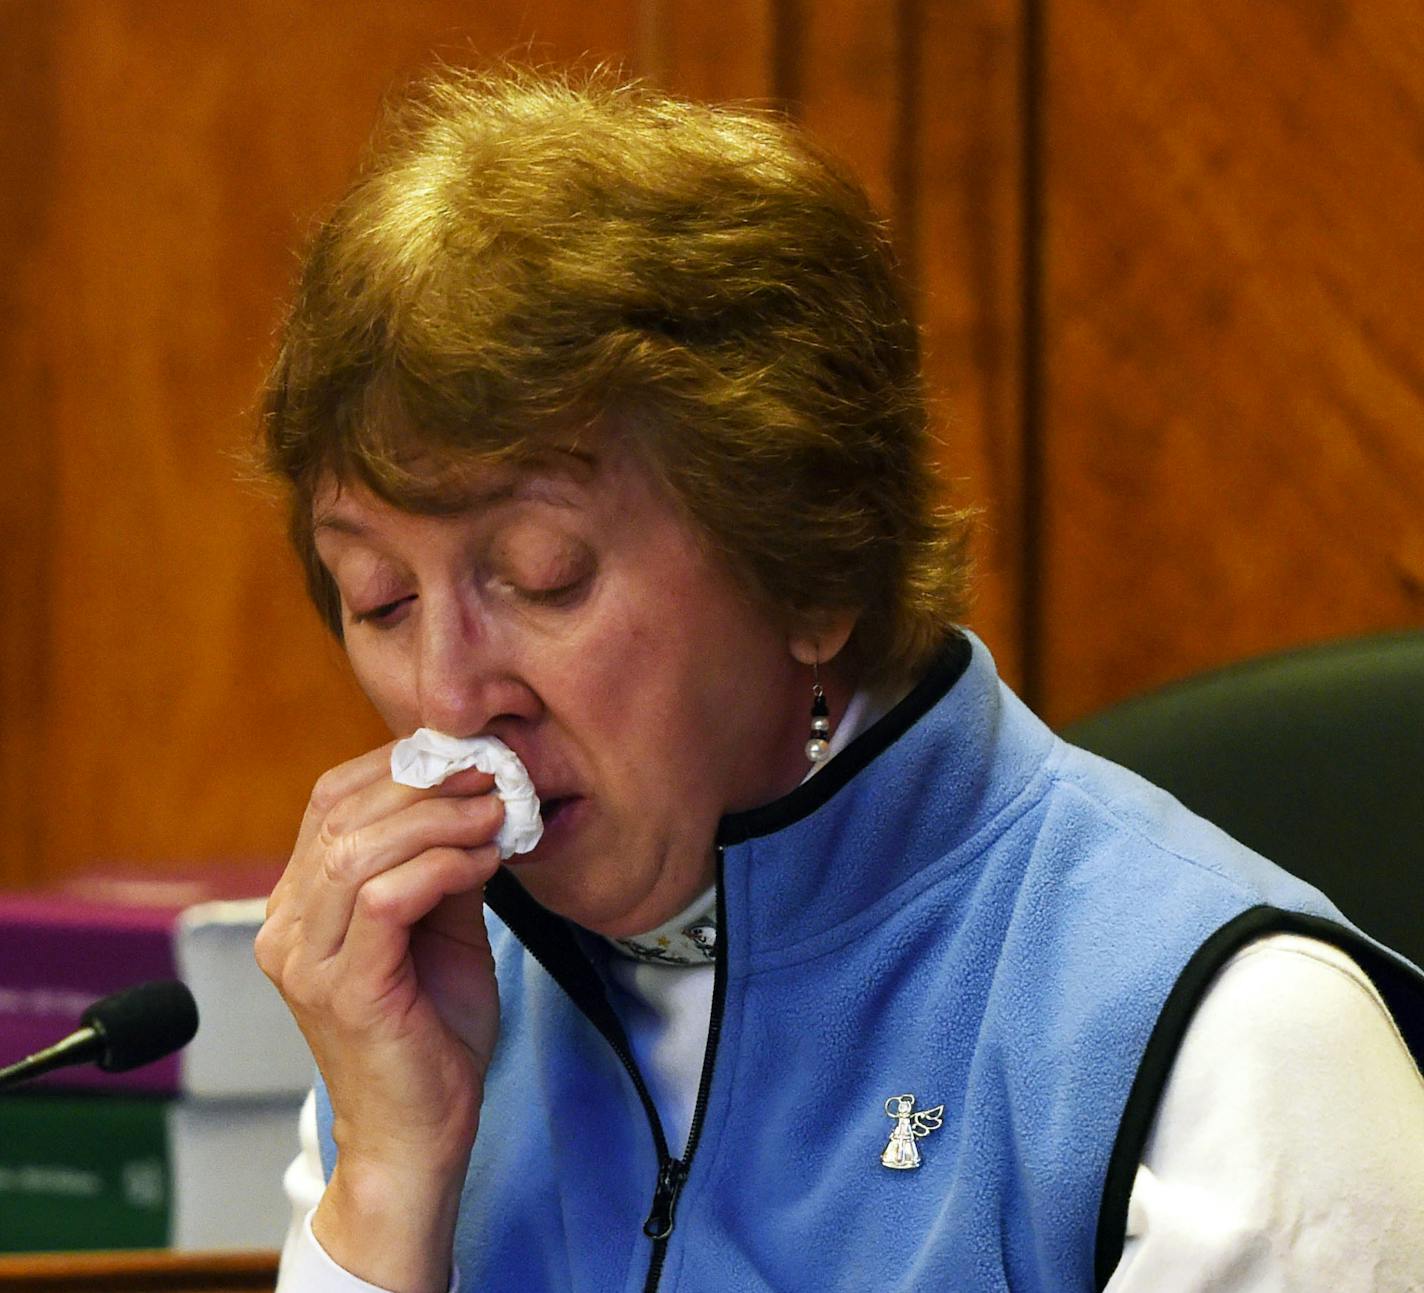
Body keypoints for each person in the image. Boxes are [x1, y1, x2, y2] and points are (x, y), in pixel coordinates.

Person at [254, 67, 1424, 1293]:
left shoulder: (1238, 1045)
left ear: (807, 570)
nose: (446, 698)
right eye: (380, 600)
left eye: (543, 579)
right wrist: (388, 1181)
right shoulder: (415, 1015)